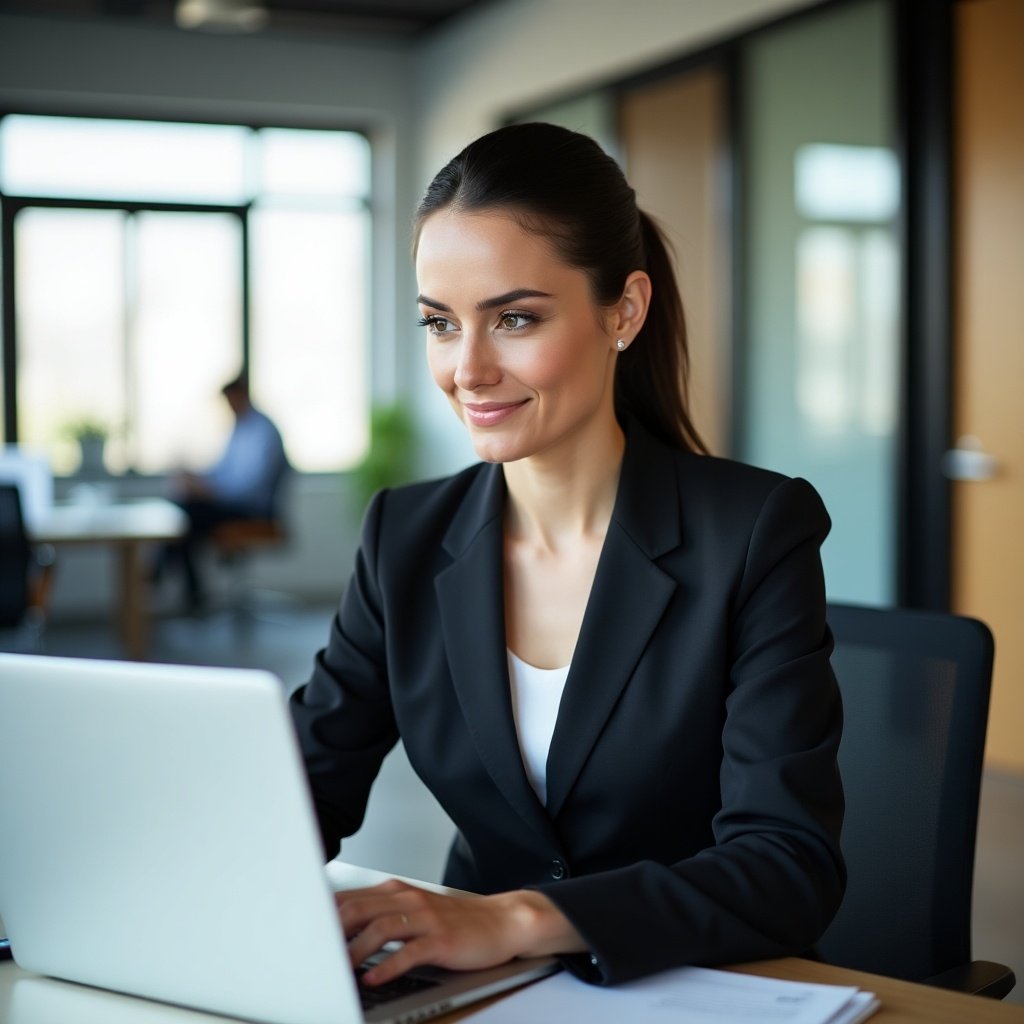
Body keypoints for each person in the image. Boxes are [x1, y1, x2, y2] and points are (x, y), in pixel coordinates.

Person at [289, 122, 845, 989]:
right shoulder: (404, 538)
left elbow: (786, 867)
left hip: (699, 988)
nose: (468, 369)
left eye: (514, 318)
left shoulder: (755, 531)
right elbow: (300, 789)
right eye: (440, 323)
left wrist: (515, 919)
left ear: (623, 310)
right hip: (477, 993)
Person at [155, 374, 289, 612]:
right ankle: (191, 595)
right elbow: (221, 471)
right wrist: (196, 479)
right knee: (184, 515)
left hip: (254, 512)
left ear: (242, 396)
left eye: (231, 400)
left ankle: (163, 576)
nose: (229, 407)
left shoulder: (264, 431)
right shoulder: (239, 428)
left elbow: (249, 487)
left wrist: (209, 491)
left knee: (187, 516)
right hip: (230, 503)